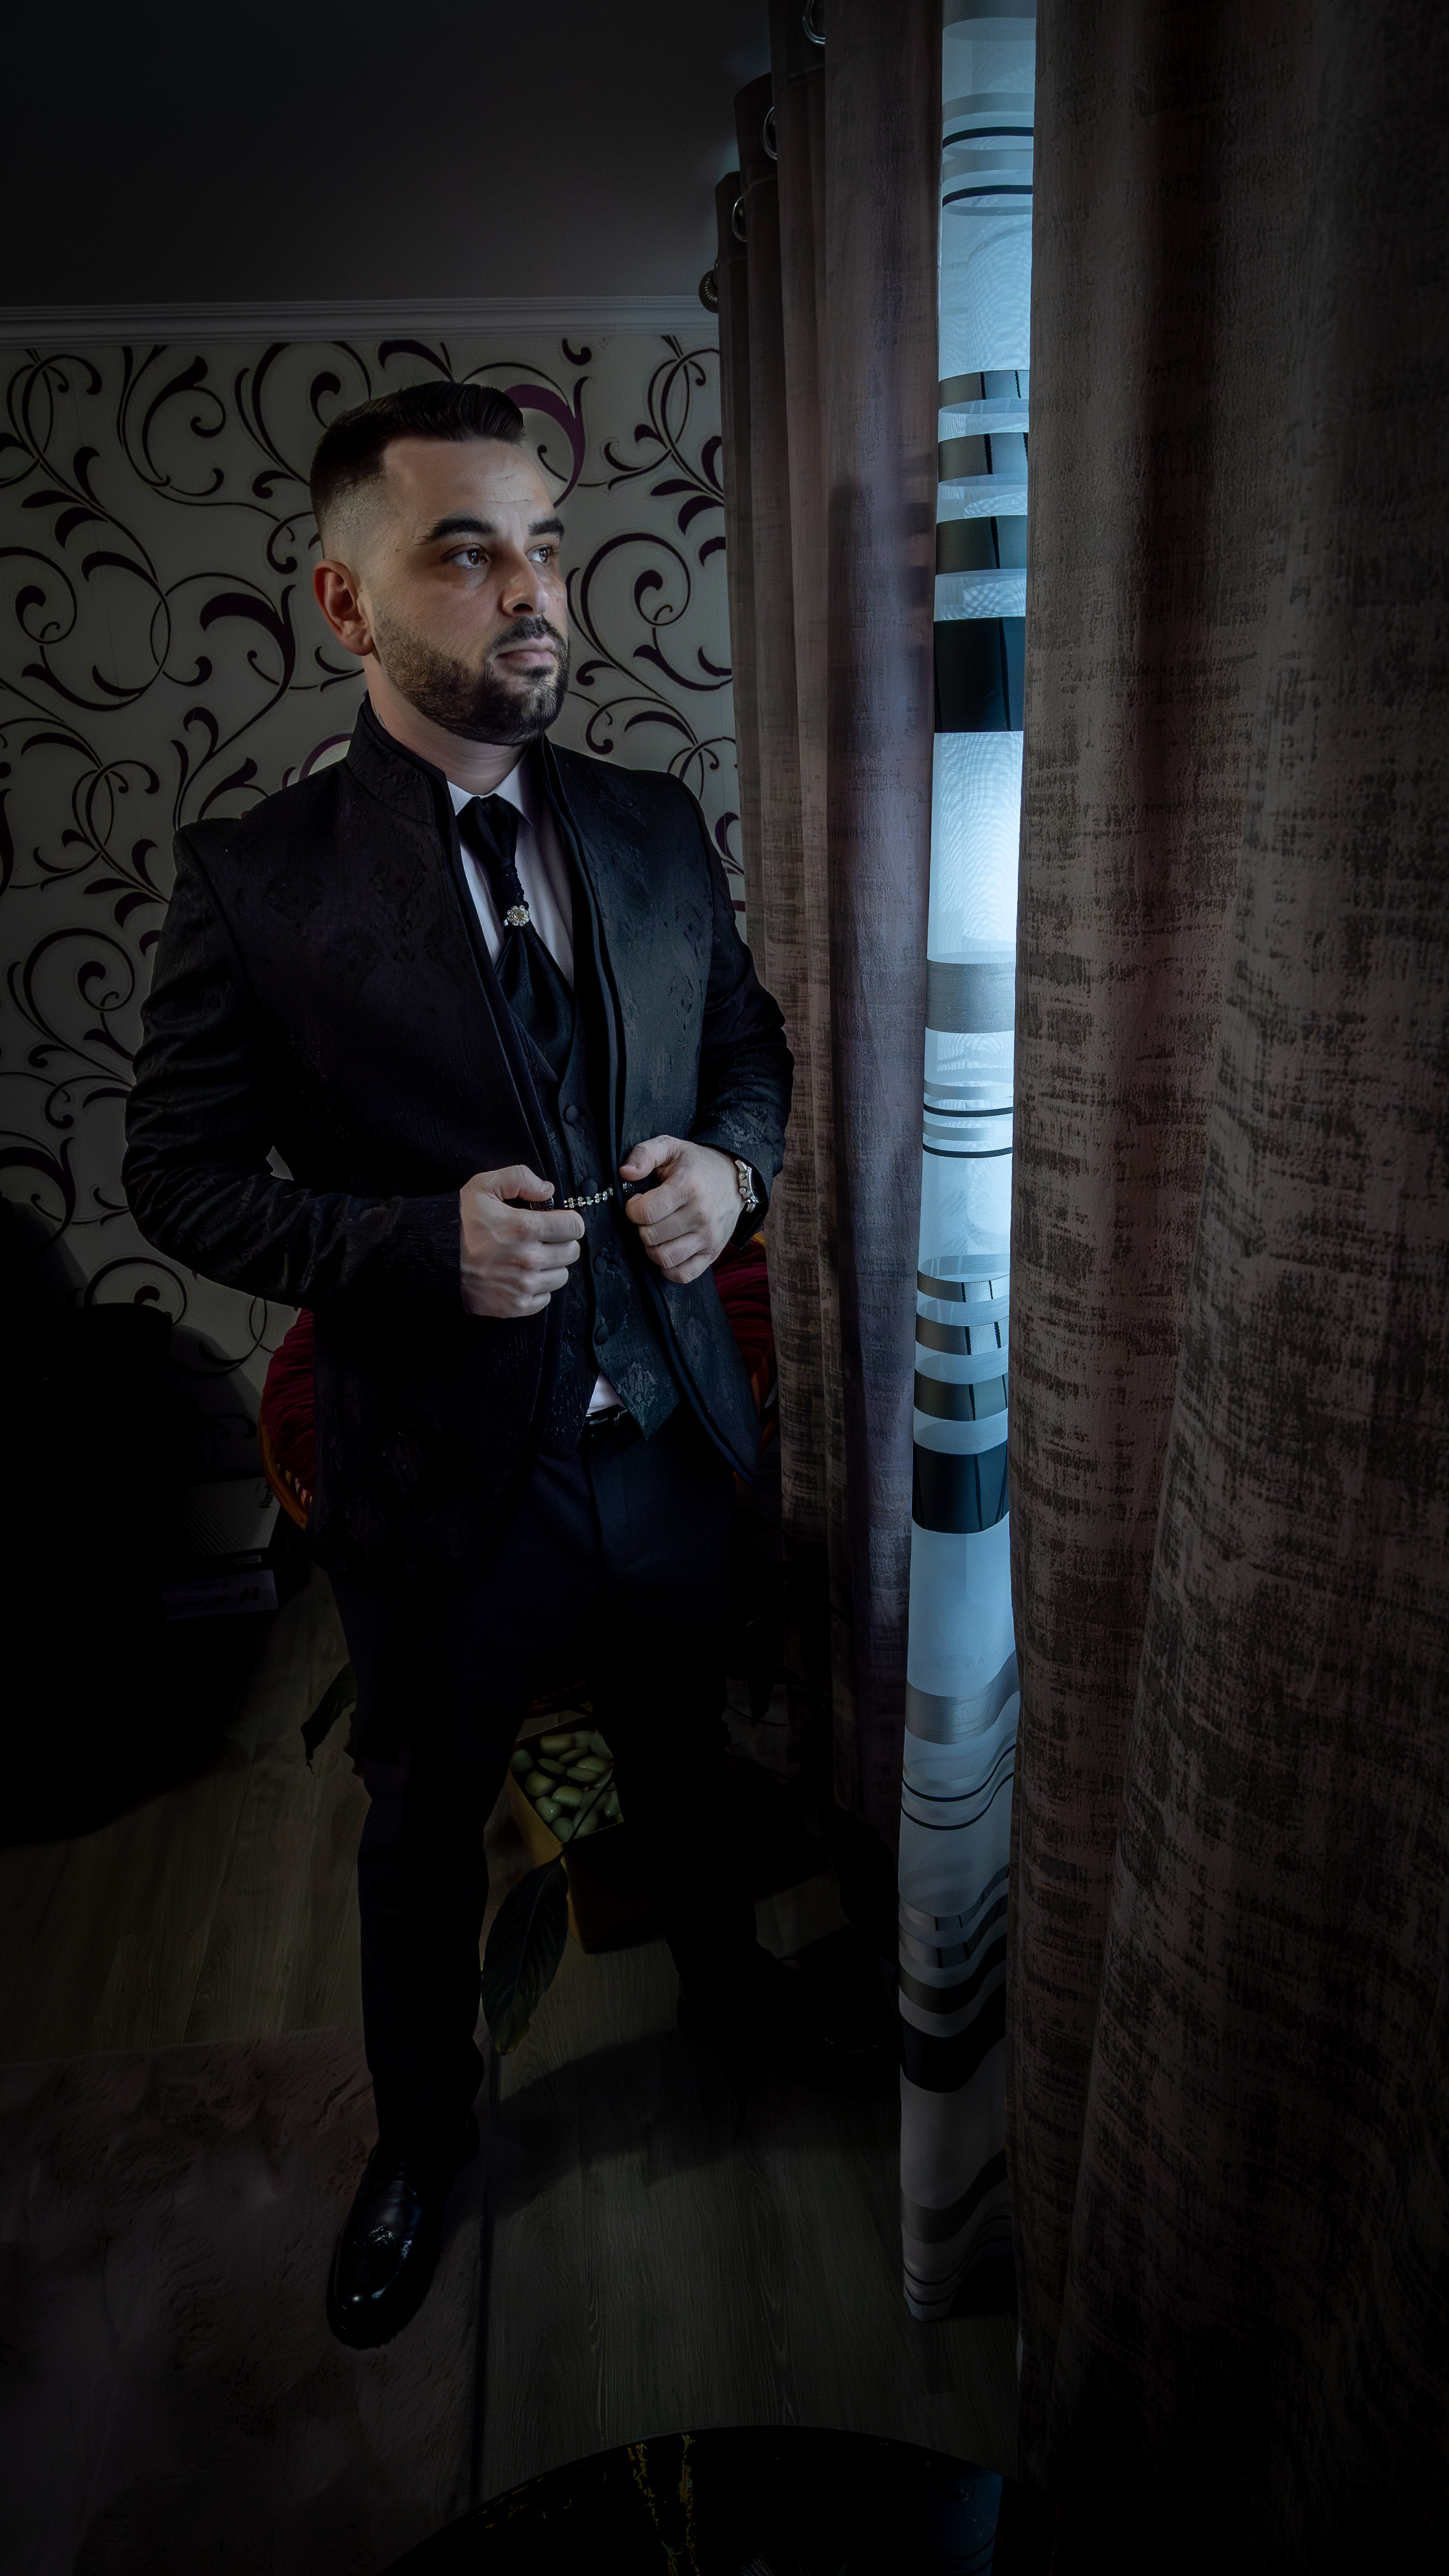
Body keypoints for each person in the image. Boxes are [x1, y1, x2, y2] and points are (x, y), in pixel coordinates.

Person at [123, 379, 882, 2354]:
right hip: (442, 1477)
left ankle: (726, 1991)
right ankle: (423, 2139)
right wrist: (412, 1246)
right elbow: (175, 1175)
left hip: (667, 1437)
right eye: (466, 552)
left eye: (544, 543)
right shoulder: (257, 880)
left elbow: (746, 1046)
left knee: (684, 1759)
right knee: (420, 1828)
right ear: (347, 603)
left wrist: (734, 1165)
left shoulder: (650, 823)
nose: (533, 589)